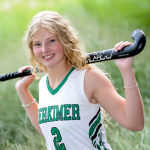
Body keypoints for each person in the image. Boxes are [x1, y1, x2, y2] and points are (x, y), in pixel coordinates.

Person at [15, 11, 144, 150]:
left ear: (65, 40)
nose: (44, 49)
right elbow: (49, 131)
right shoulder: (43, 85)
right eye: (37, 44)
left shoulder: (88, 78)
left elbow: (135, 123)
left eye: (51, 41)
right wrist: (22, 91)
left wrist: (126, 70)